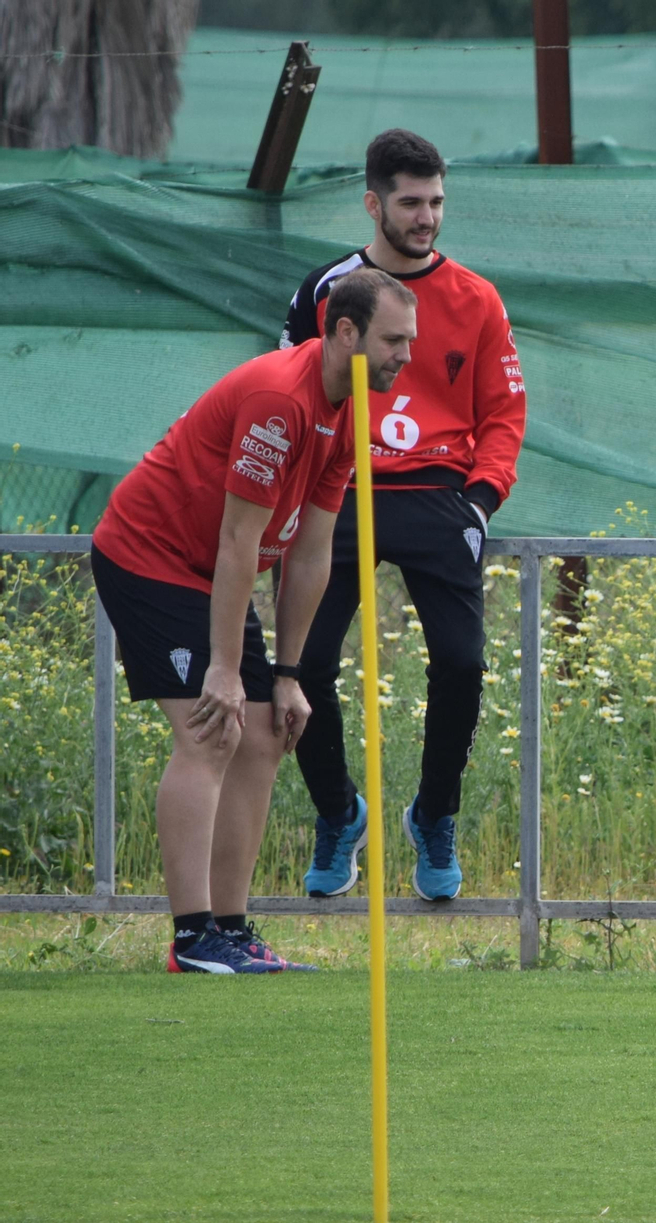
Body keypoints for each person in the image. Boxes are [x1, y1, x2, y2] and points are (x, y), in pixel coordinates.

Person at [91, 268, 417, 972]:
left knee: (267, 731)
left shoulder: (352, 408)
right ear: (344, 332)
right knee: (212, 731)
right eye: (393, 340)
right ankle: (192, 939)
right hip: (152, 554)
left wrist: (291, 674)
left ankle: (232, 933)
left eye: (410, 341)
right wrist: (224, 666)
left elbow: (309, 552)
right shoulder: (279, 398)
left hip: (211, 571)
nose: (405, 356)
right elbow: (241, 541)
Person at [280, 129, 525, 902]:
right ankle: (338, 813)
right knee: (302, 666)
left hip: (437, 495)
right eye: (411, 202)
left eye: (437, 202)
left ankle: (434, 815)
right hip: (335, 490)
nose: (426, 218)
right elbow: (289, 388)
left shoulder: (478, 298)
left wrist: (480, 502)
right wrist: (293, 496)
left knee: (462, 662)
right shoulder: (327, 290)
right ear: (373, 202)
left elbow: (505, 411)